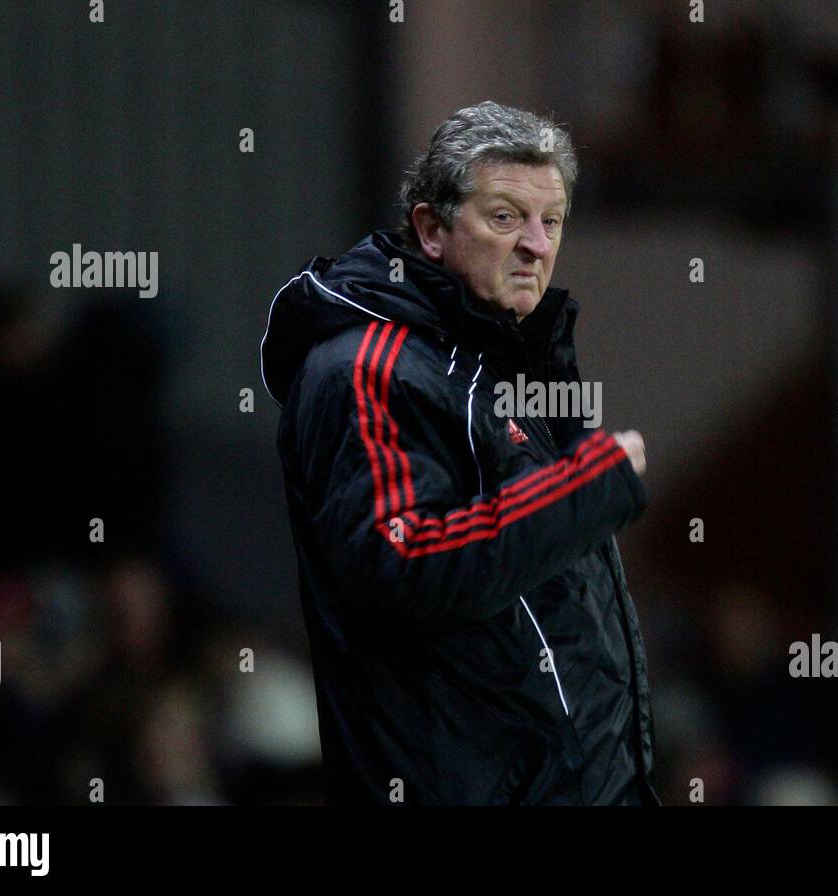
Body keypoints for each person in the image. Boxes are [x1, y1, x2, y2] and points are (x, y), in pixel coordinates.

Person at [260, 101, 657, 805]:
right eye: (505, 216)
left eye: (552, 220)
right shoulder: (368, 369)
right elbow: (403, 565)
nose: (536, 244)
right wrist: (586, 489)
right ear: (431, 230)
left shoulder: (497, 361)